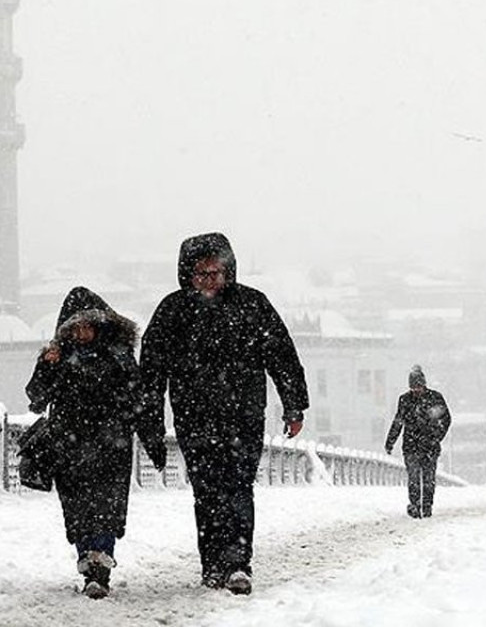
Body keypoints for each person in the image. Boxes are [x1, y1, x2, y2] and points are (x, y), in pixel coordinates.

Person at [140, 232, 308, 595]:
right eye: (202, 274)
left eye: (216, 273)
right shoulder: (173, 311)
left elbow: (281, 356)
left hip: (243, 416)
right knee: (207, 490)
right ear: (188, 274)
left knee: (237, 487)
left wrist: (294, 404)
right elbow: (151, 372)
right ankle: (212, 564)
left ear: (228, 272)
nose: (210, 281)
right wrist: (150, 421)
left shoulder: (252, 305)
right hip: (194, 417)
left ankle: (237, 563)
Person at [25, 286, 167, 600]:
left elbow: (139, 401)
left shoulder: (119, 356)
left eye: (88, 324)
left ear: (101, 324)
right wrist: (47, 365)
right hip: (70, 447)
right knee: (77, 510)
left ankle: (99, 567)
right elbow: (36, 399)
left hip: (111, 446)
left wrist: (153, 440)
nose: (82, 332)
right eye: (75, 327)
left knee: (107, 507)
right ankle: (88, 562)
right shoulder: (59, 358)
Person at [384, 365, 451, 518]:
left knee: (428, 478)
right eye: (413, 387)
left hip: (429, 446)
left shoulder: (435, 398)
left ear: (424, 384)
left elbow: (446, 419)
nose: (416, 390)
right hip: (411, 446)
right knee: (413, 478)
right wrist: (390, 441)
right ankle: (415, 505)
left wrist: (436, 437)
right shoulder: (405, 400)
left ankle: (427, 506)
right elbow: (398, 422)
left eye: (418, 387)